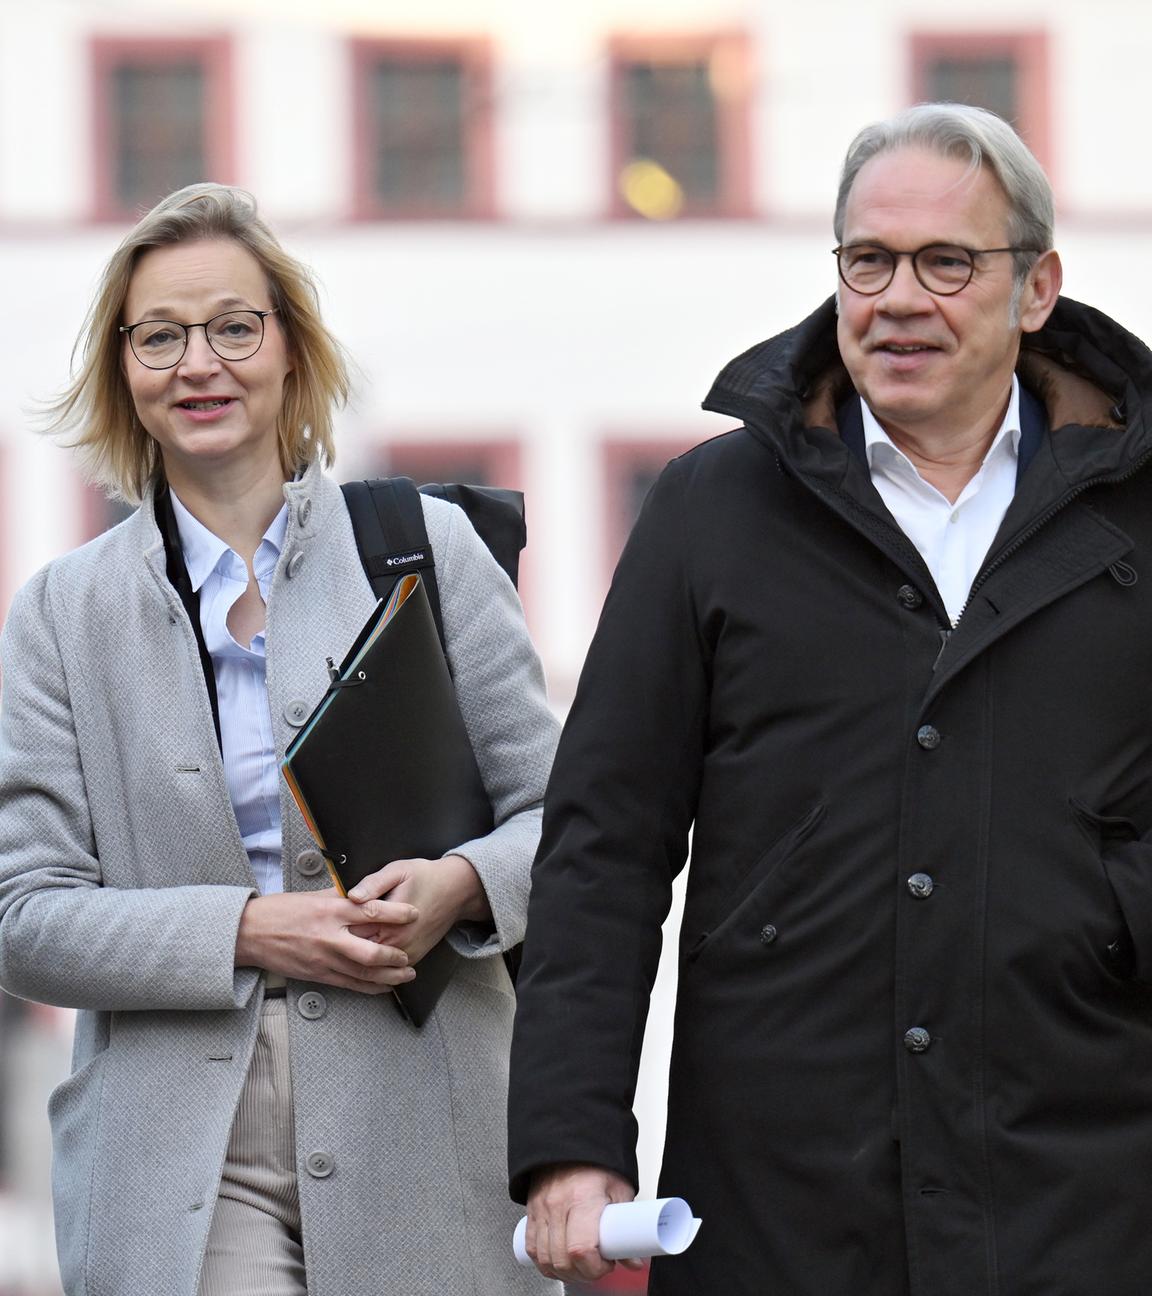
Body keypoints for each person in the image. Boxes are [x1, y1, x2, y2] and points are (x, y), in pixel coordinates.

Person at [508, 102, 1152, 1295]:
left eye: (947, 261)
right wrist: (572, 1142)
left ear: (1037, 287)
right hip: (784, 1183)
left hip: (1088, 1176)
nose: (899, 297)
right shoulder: (713, 509)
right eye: (869, 260)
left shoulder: (1137, 511)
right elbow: (604, 840)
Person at [0, 182, 560, 1296]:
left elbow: (573, 822)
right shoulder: (62, 612)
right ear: (123, 370)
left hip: (427, 1122)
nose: (196, 362)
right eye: (158, 335)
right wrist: (252, 931)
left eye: (233, 327)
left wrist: (457, 884)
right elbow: (24, 917)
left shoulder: (423, 548)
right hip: (179, 1151)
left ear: (291, 352)